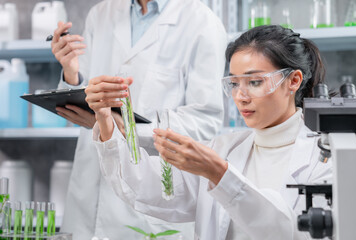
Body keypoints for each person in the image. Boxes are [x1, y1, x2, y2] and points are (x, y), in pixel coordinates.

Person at [88, 25, 333, 240]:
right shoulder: (225, 149)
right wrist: (106, 118)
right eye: (234, 83)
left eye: (255, 82)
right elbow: (148, 189)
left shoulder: (326, 156)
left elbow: (291, 231)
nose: (241, 96)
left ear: (293, 81)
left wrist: (219, 173)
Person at [51, 0, 227, 239]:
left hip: (149, 202)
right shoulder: (101, 13)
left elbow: (204, 120)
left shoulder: (202, 22)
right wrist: (72, 74)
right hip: (87, 195)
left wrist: (125, 128)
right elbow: (86, 101)